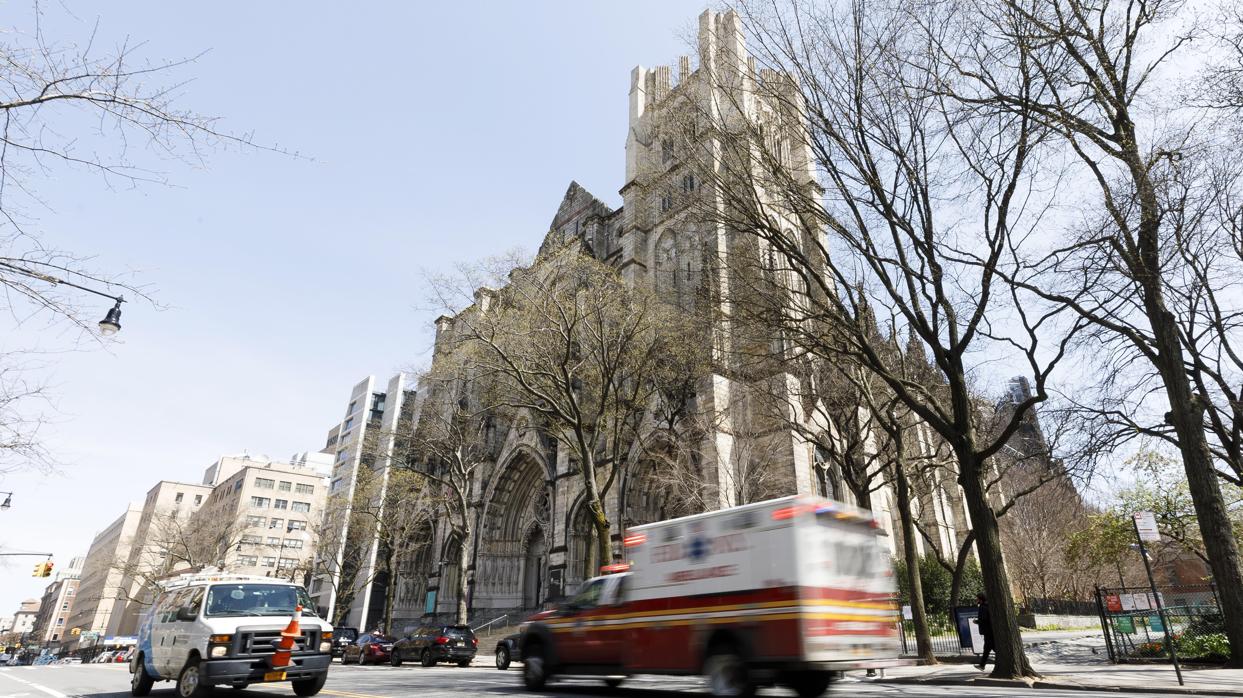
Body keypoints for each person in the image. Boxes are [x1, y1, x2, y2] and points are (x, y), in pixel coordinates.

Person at [976, 592, 994, 670]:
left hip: (987, 630)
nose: (976, 600)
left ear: (980, 599)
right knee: (988, 648)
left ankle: (982, 665)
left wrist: (976, 621)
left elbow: (983, 619)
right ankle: (982, 665)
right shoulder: (988, 606)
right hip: (990, 630)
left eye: (977, 598)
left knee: (988, 648)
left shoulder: (982, 607)